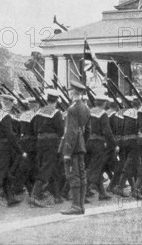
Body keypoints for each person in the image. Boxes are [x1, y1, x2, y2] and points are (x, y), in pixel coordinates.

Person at [59, 81, 90, 215]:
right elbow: (88, 130)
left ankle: (76, 205)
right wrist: (82, 142)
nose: (69, 92)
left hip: (72, 146)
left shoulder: (72, 109)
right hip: (81, 144)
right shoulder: (85, 107)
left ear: (74, 92)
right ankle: (81, 205)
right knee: (82, 175)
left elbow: (70, 131)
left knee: (73, 175)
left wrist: (67, 151)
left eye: (70, 90)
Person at [30, 89, 64, 207]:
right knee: (47, 167)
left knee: (52, 168)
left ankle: (57, 195)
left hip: (40, 141)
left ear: (47, 99)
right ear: (56, 100)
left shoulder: (39, 111)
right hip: (51, 143)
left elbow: (34, 128)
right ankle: (34, 195)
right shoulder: (56, 112)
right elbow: (61, 130)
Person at [86, 94, 118, 201]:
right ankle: (84, 191)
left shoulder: (89, 111)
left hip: (88, 141)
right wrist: (113, 144)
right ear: (104, 103)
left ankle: (102, 193)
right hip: (98, 143)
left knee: (97, 168)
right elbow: (107, 131)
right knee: (94, 169)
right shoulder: (103, 114)